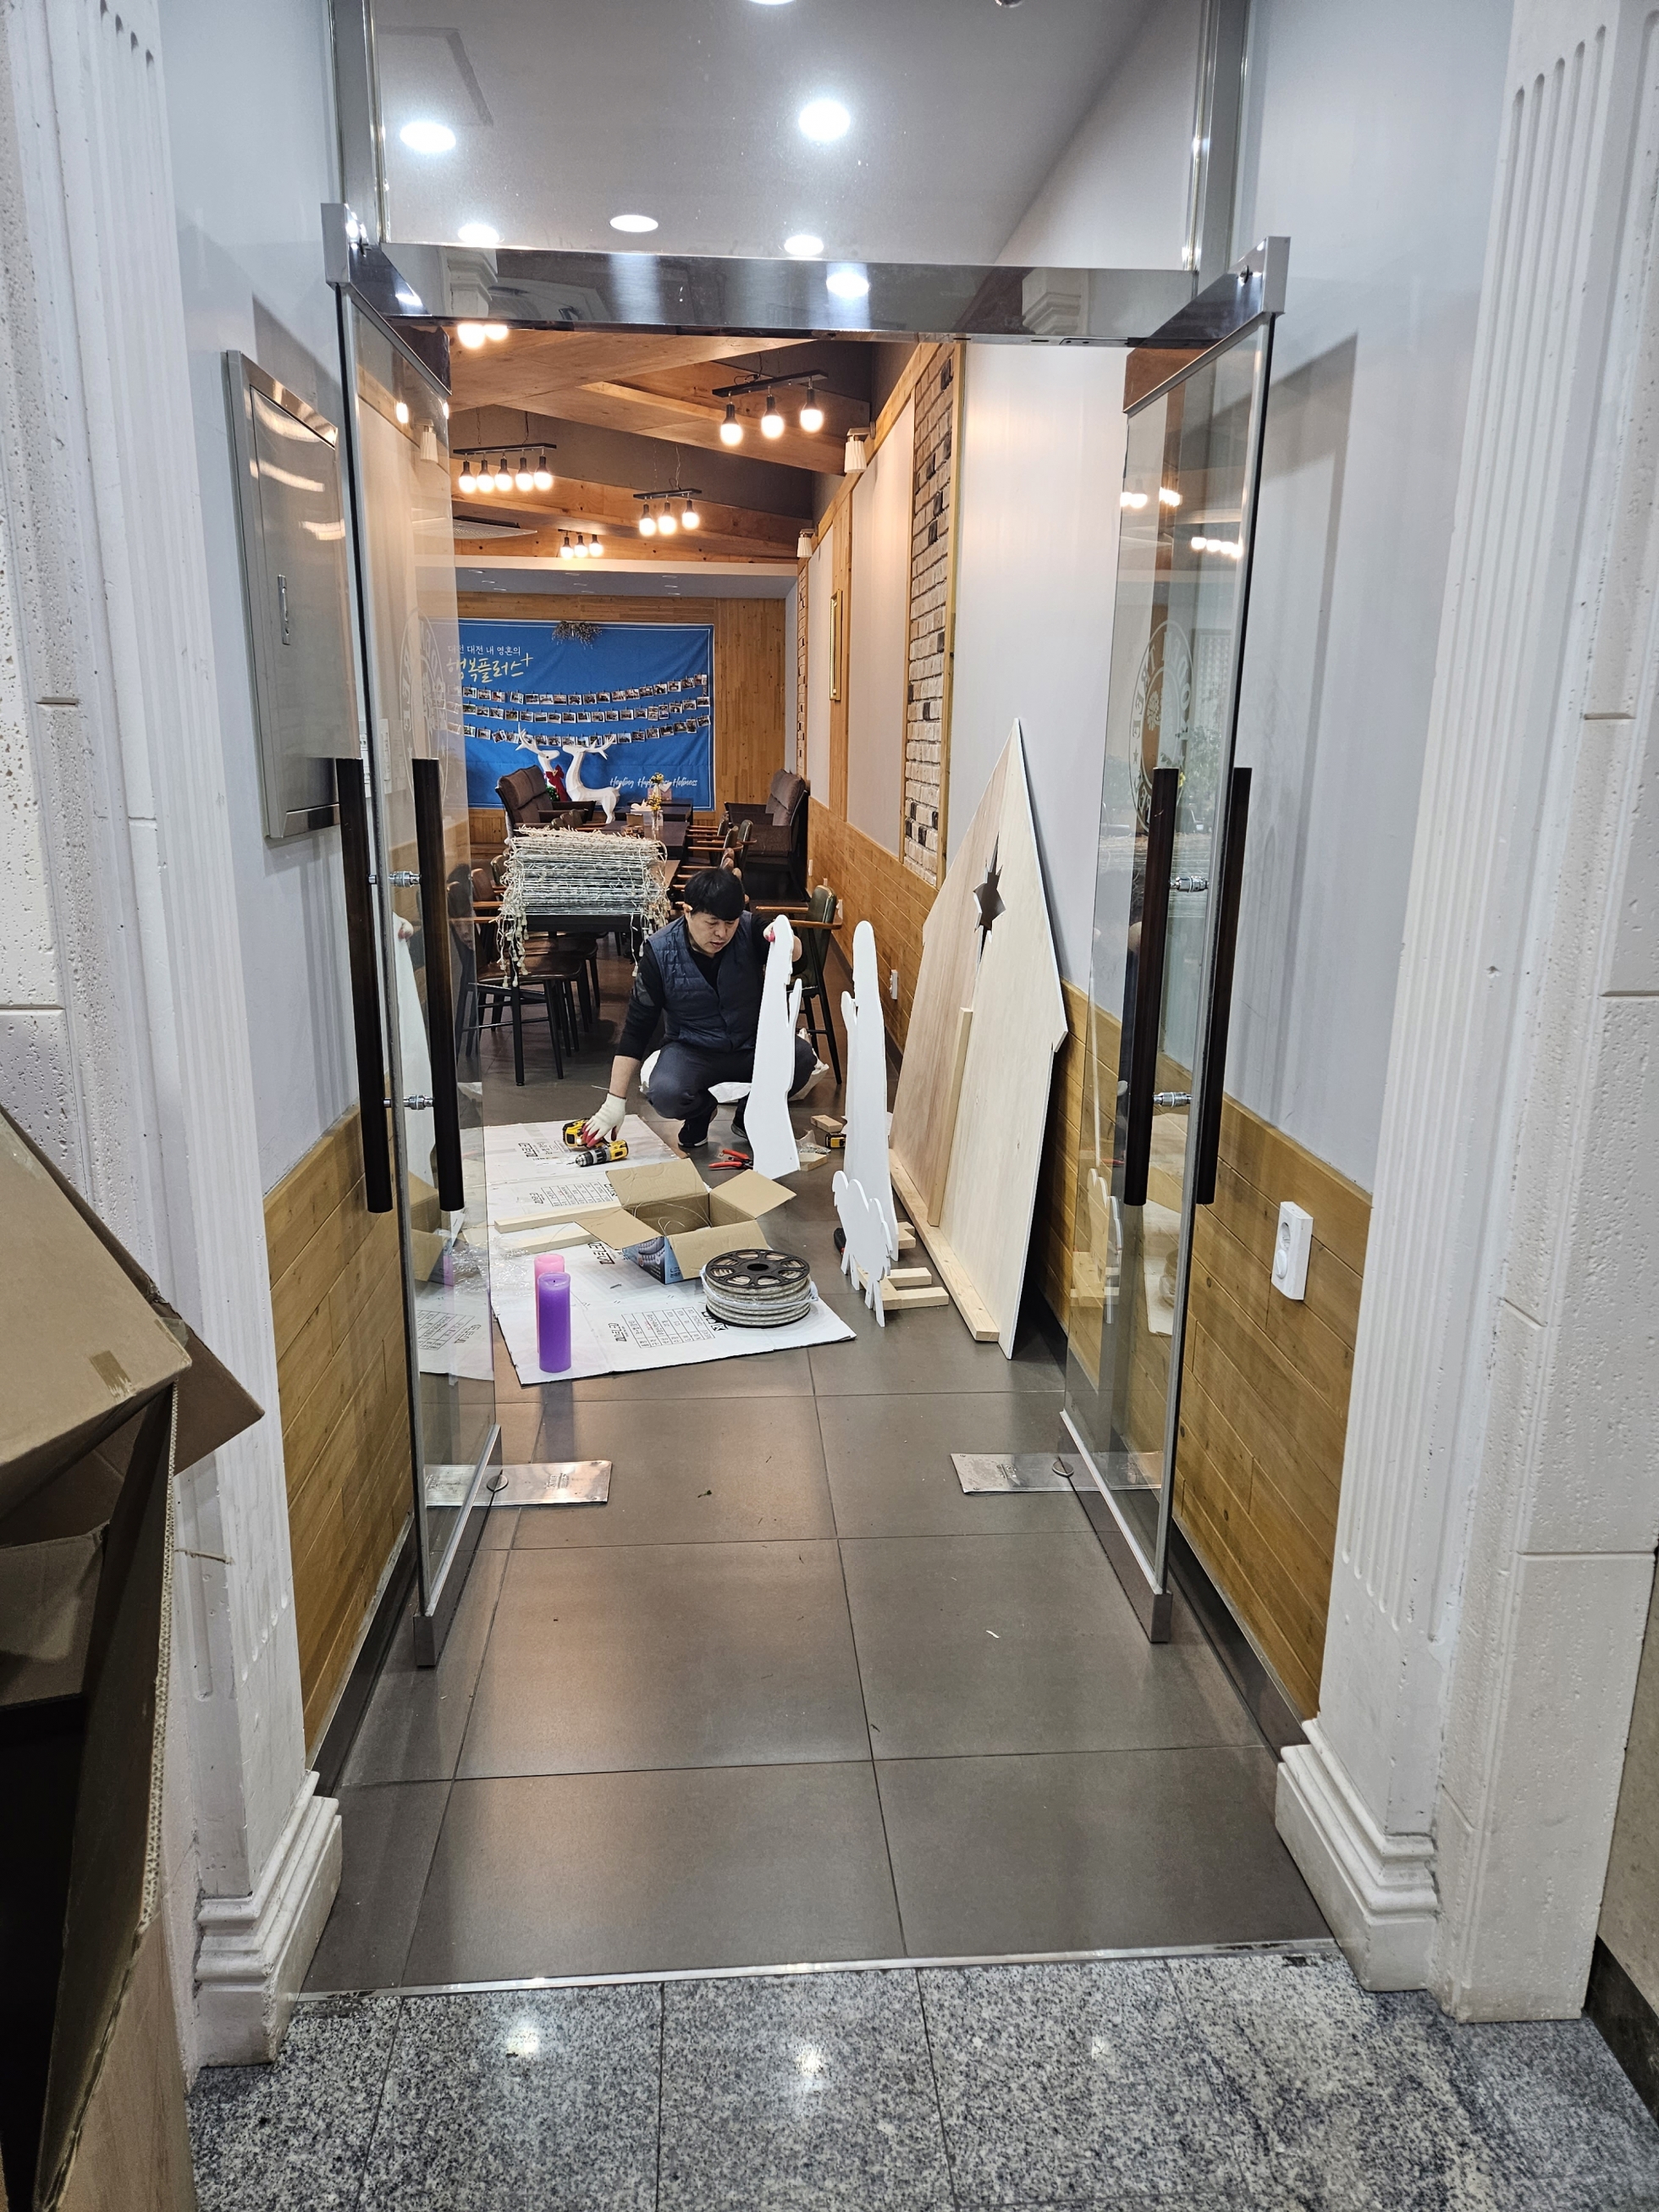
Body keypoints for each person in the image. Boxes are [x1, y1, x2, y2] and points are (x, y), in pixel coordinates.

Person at [581, 868, 820, 1152]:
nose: (722, 933)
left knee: (801, 1058)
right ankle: (701, 1112)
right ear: (687, 911)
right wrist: (614, 1101)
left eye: (730, 923)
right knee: (666, 1092)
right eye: (712, 923)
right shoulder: (659, 952)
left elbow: (801, 963)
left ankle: (749, 1114)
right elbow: (637, 1028)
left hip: (750, 1045)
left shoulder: (750, 929)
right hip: (693, 1050)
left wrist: (785, 940)